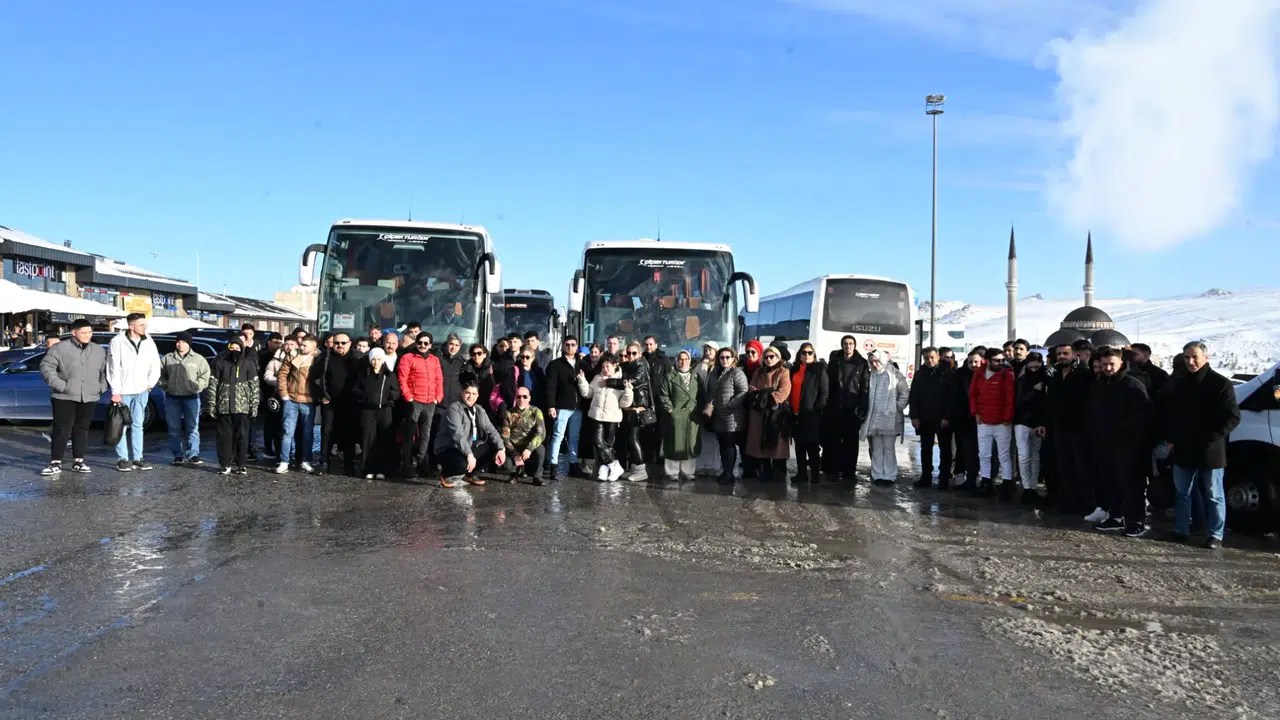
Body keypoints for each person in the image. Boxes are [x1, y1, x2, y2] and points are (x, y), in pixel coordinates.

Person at [1164, 342, 1240, 548]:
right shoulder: (1179, 383)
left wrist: (1211, 437)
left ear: (1205, 358)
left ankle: (1215, 534)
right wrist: (1171, 438)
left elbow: (1232, 416)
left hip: (1210, 449)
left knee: (1213, 494)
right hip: (1182, 447)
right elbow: (1170, 414)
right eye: (1187, 357)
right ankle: (1181, 530)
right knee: (1182, 493)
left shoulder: (1220, 384)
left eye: (1195, 357)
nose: (1191, 361)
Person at [1088, 347, 1155, 537]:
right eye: (1104, 364)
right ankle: (1115, 516)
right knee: (1110, 482)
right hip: (1104, 444)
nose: (1108, 368)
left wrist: (1128, 438)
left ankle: (1136, 521)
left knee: (1131, 485)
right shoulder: (1100, 384)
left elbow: (1143, 417)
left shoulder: (1132, 385)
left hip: (1129, 447)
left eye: (1112, 364)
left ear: (1121, 363)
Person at [38, 319, 107, 476]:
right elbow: (46, 367)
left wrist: (101, 387)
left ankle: (79, 461)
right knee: (61, 429)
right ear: (74, 332)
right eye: (84, 332)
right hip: (64, 396)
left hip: (89, 396)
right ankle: (55, 462)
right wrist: (62, 386)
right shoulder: (60, 348)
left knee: (82, 429)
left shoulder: (98, 350)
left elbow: (105, 371)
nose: (87, 335)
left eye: (90, 332)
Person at [1047, 343, 1097, 517]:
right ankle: (1069, 500)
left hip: (1079, 430)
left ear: (1074, 355)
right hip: (1060, 429)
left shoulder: (1084, 375)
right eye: (1059, 353)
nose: (1061, 356)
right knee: (1065, 466)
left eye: (1065, 353)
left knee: (1081, 468)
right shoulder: (1055, 377)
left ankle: (1086, 503)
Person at [107, 312, 162, 472]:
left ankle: (138, 458)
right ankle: (123, 459)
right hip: (123, 390)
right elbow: (113, 367)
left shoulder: (148, 341)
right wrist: (115, 391)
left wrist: (150, 384)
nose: (145, 327)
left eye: (145, 325)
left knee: (138, 425)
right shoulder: (117, 342)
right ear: (131, 326)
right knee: (121, 425)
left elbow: (155, 363)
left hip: (142, 390)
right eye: (141, 325)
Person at [433, 380, 507, 488]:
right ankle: (445, 474)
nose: (470, 396)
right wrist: (469, 454)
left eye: (473, 394)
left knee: (494, 448)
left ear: (477, 396)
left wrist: (501, 448)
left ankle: (470, 474)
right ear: (462, 393)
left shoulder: (480, 410)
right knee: (461, 465)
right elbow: (457, 434)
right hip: (449, 448)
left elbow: (491, 430)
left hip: (468, 447)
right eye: (467, 393)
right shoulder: (454, 409)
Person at [577, 354, 634, 482]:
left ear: (615, 366)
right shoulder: (597, 378)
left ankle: (605, 468)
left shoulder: (620, 380)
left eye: (608, 366)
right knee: (598, 442)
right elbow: (588, 393)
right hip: (597, 415)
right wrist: (582, 381)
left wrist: (628, 391)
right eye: (603, 367)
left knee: (609, 444)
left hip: (612, 417)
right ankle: (615, 465)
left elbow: (625, 403)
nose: (605, 369)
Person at [968, 346, 1016, 497]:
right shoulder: (979, 373)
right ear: (987, 361)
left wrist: (1007, 418)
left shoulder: (1007, 374)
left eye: (1002, 360)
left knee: (1004, 455)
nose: (1000, 363)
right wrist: (975, 413)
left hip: (1002, 423)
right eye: (996, 360)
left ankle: (1007, 484)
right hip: (984, 422)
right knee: (984, 454)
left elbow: (1010, 397)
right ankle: (986, 482)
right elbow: (973, 394)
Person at [158, 331, 211, 466]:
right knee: (174, 429)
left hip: (191, 398)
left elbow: (205, 376)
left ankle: (193, 454)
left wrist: (197, 386)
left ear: (188, 343)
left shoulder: (198, 359)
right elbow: (159, 375)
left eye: (183, 342)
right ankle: (177, 455)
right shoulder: (168, 358)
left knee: (192, 427)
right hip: (172, 398)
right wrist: (165, 385)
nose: (180, 344)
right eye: (178, 341)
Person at [207, 339, 259, 475]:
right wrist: (212, 405)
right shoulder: (220, 363)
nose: (234, 350)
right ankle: (225, 464)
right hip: (223, 406)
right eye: (232, 348)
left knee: (242, 436)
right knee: (224, 437)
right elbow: (213, 385)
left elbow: (254, 387)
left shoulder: (248, 364)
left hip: (242, 407)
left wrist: (254, 406)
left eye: (237, 348)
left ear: (241, 350)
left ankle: (241, 464)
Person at [397, 332, 444, 476]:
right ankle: (406, 464)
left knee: (425, 434)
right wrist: (409, 397)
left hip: (430, 401)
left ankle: (422, 463)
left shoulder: (434, 360)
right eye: (420, 342)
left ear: (430, 345)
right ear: (416, 343)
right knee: (410, 433)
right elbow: (402, 379)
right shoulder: (407, 358)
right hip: (415, 400)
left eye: (426, 343)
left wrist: (438, 397)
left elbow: (439, 379)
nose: (422, 345)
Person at [314, 332, 360, 475]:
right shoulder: (325, 358)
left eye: (343, 343)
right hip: (330, 402)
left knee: (349, 434)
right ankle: (324, 462)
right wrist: (321, 395)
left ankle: (348, 464)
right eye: (336, 343)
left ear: (350, 343)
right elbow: (314, 378)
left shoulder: (357, 359)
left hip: (349, 403)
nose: (339, 346)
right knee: (327, 432)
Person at [861, 350, 909, 484]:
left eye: (876, 360)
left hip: (890, 420)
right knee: (876, 448)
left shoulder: (895, 374)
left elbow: (904, 393)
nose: (874, 364)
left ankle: (889, 475)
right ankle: (877, 475)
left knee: (888, 448)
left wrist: (896, 407)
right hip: (874, 418)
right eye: (871, 361)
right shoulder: (870, 375)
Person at [826, 335, 870, 482]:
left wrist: (862, 408)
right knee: (834, 441)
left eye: (851, 343)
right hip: (836, 407)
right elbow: (829, 385)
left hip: (853, 409)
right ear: (842, 345)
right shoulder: (835, 361)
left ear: (855, 346)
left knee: (851, 442)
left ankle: (849, 471)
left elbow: (865, 387)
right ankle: (834, 470)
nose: (848, 346)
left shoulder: (862, 363)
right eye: (845, 343)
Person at [908, 346, 954, 489]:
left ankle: (944, 477)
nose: (929, 360)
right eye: (927, 358)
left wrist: (946, 417)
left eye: (932, 357)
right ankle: (926, 476)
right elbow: (913, 397)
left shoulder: (947, 373)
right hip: (925, 418)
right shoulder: (920, 374)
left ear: (938, 357)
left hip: (942, 419)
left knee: (945, 449)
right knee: (925, 448)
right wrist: (914, 416)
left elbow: (950, 398)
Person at [353, 348, 401, 480]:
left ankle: (382, 469)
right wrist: (364, 397)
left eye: (379, 359)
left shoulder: (389, 375)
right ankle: (368, 468)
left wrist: (392, 397)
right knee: (368, 439)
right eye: (373, 359)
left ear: (383, 360)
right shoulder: (364, 374)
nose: (376, 362)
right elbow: (356, 389)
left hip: (385, 410)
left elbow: (396, 390)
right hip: (368, 410)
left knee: (383, 440)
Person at [746, 345, 792, 482]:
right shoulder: (759, 371)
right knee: (760, 441)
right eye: (766, 357)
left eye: (772, 356)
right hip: (759, 412)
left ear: (778, 357)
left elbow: (784, 390)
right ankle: (764, 470)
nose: (769, 359)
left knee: (776, 442)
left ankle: (779, 471)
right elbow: (752, 388)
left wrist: (768, 397)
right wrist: (761, 395)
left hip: (775, 412)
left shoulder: (783, 371)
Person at [704, 348, 749, 486]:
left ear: (733, 358)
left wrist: (730, 404)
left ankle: (729, 474)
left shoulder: (737, 372)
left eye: (727, 357)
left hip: (732, 416)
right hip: (717, 415)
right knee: (722, 445)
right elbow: (711, 391)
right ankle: (726, 472)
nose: (724, 360)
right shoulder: (714, 373)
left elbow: (743, 391)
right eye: (722, 357)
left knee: (729, 445)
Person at [276, 334, 320, 474]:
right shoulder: (292, 356)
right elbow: (282, 374)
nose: (301, 347)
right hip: (291, 399)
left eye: (304, 345)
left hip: (308, 401)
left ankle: (306, 461)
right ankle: (284, 461)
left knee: (307, 433)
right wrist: (284, 394)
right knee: (287, 431)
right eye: (301, 344)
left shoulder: (319, 359)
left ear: (313, 347)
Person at [658, 350, 703, 482]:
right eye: (680, 359)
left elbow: (701, 395)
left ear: (690, 361)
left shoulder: (696, 377)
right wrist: (671, 410)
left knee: (690, 443)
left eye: (686, 359)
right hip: (676, 414)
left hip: (692, 415)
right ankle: (672, 471)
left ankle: (688, 471)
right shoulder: (670, 376)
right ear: (676, 361)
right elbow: (663, 395)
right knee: (674, 442)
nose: (683, 362)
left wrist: (699, 410)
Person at [544, 336, 584, 481]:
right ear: (563, 346)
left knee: (574, 437)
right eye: (567, 345)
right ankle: (553, 466)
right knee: (557, 436)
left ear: (577, 346)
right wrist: (551, 406)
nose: (570, 347)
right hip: (562, 407)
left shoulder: (581, 364)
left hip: (577, 408)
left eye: (573, 344)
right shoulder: (555, 365)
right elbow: (550, 388)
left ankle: (573, 464)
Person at [787, 343, 827, 483]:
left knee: (812, 446)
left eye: (810, 353)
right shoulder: (795, 369)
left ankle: (815, 475)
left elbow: (824, 391)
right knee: (799, 446)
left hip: (811, 413)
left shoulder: (819, 369)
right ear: (800, 354)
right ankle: (801, 473)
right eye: (804, 353)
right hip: (795, 412)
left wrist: (818, 407)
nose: (807, 355)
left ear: (814, 355)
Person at [1014, 351, 1049, 504]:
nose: (1034, 369)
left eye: (1037, 366)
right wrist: (1034, 390)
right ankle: (1027, 487)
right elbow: (1018, 401)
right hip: (1022, 421)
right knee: (1024, 456)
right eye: (1032, 366)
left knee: (1035, 456)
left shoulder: (1046, 378)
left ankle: (1032, 486)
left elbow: (1046, 403)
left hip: (1037, 422)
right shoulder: (1022, 378)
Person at [618, 342, 655, 482]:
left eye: (634, 353)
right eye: (628, 353)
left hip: (638, 408)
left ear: (639, 354)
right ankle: (634, 467)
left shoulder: (641, 365)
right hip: (629, 408)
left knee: (634, 438)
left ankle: (641, 469)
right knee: (629, 439)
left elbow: (633, 382)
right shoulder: (628, 366)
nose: (630, 356)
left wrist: (610, 382)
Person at [262, 335, 298, 462]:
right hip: (279, 396)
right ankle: (280, 453)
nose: (289, 347)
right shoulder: (275, 360)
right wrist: (280, 382)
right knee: (278, 426)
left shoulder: (300, 359)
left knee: (294, 427)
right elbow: (267, 376)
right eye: (287, 344)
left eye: (292, 344)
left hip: (296, 396)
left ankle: (295, 453)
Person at [950, 350, 983, 490]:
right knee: (964, 449)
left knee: (980, 451)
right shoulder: (960, 375)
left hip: (981, 420)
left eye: (976, 362)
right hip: (963, 419)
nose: (973, 365)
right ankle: (965, 476)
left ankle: (978, 478)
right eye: (970, 362)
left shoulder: (986, 376)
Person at [501, 386, 547, 484]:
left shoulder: (536, 412)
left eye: (525, 396)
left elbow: (541, 433)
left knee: (541, 449)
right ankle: (514, 474)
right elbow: (505, 437)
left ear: (529, 398)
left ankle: (537, 476)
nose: (521, 399)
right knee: (507, 463)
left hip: (529, 447)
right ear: (515, 398)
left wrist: (529, 448)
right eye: (519, 397)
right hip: (514, 446)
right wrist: (514, 454)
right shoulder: (508, 413)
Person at [694, 341, 723, 478]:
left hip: (714, 406)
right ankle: (701, 465)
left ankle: (713, 465)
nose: (708, 352)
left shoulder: (719, 367)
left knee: (714, 437)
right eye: (706, 350)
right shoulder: (699, 366)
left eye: (710, 350)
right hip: (701, 405)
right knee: (702, 436)